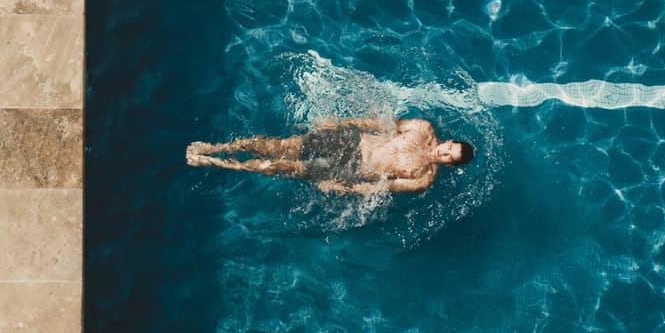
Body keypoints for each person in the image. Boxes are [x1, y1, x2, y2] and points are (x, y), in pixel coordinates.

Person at [186, 115, 473, 195]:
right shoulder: (422, 128)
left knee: (282, 166)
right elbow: (380, 124)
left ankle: (214, 162)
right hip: (350, 141)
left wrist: (343, 188)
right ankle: (216, 148)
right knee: (281, 146)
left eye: (449, 157)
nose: (443, 153)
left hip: (351, 169)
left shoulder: (423, 178)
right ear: (448, 141)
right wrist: (341, 123)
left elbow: (381, 188)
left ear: (450, 165)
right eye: (449, 148)